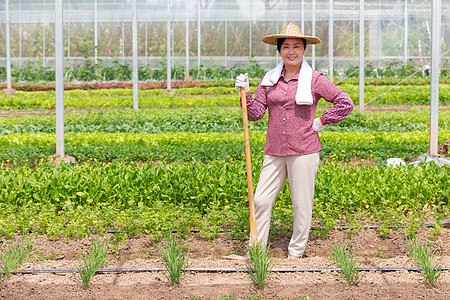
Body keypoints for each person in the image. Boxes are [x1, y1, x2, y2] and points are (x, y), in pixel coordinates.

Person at [235, 22, 354, 259]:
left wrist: (321, 121)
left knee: (301, 204)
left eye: (296, 47)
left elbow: (345, 103)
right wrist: (246, 94)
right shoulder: (269, 79)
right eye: (286, 46)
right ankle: (256, 250)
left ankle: (296, 253)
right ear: (279, 50)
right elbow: (256, 114)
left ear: (304, 50)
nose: (291, 51)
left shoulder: (314, 79)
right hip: (275, 150)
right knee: (260, 200)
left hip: (304, 149)